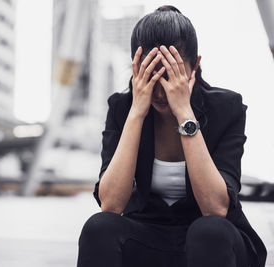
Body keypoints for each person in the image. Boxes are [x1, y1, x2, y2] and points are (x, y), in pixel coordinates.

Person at [77, 5, 267, 267]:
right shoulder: (122, 109)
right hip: (149, 234)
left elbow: (216, 209)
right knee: (99, 227)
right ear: (135, 69)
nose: (160, 91)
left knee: (209, 230)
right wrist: (136, 114)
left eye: (170, 76)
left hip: (216, 242)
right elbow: (110, 204)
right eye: (151, 76)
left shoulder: (227, 109)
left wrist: (184, 114)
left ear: (195, 66)